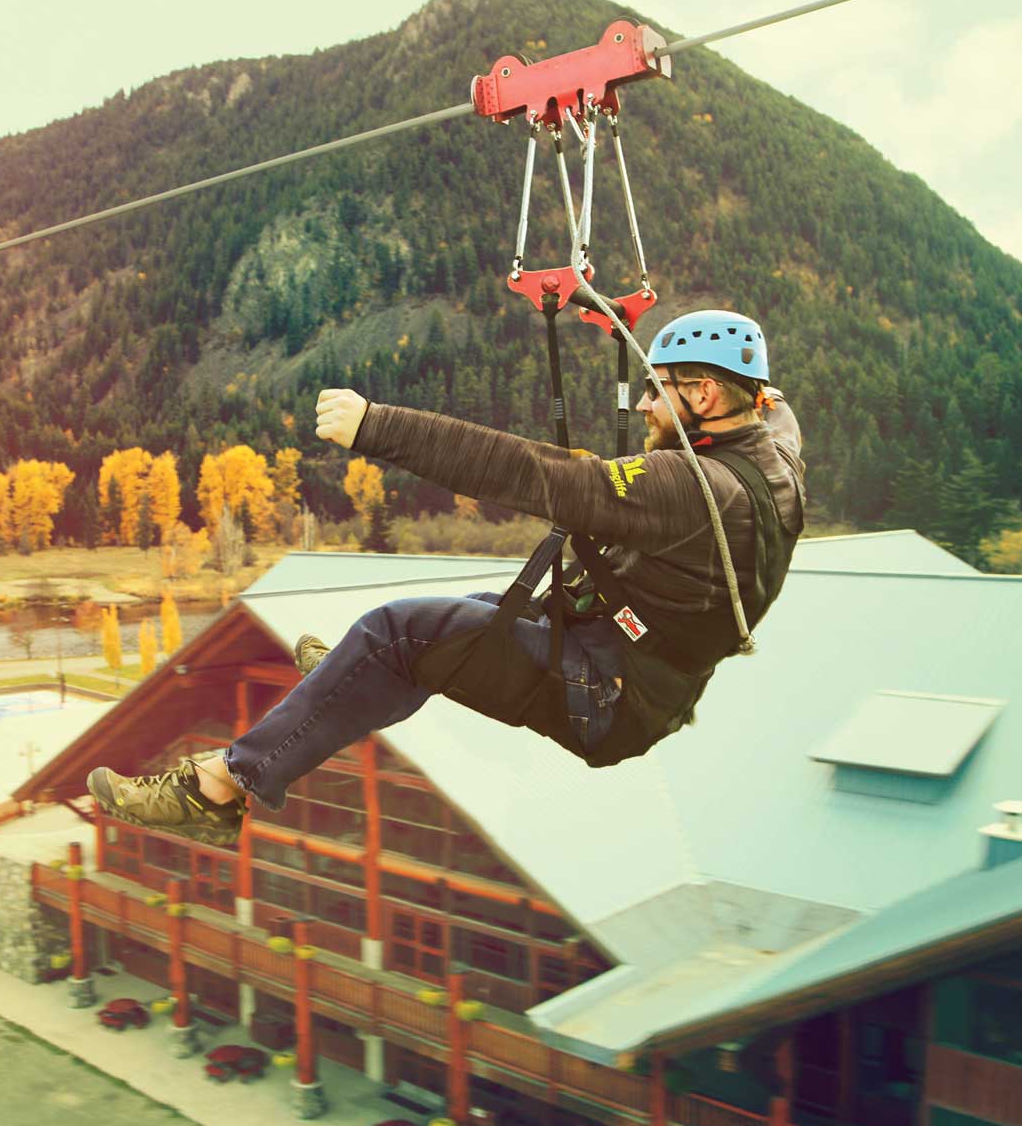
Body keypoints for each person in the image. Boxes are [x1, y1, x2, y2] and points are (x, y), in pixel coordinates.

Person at [89, 309, 806, 844]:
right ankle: (346, 678)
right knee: (456, 621)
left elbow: (540, 475)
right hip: (631, 675)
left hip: (606, 695)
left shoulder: (702, 489)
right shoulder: (771, 442)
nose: (645, 405)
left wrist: (377, 427)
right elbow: (766, 403)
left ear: (707, 396)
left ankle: (219, 790)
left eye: (660, 390)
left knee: (396, 633)